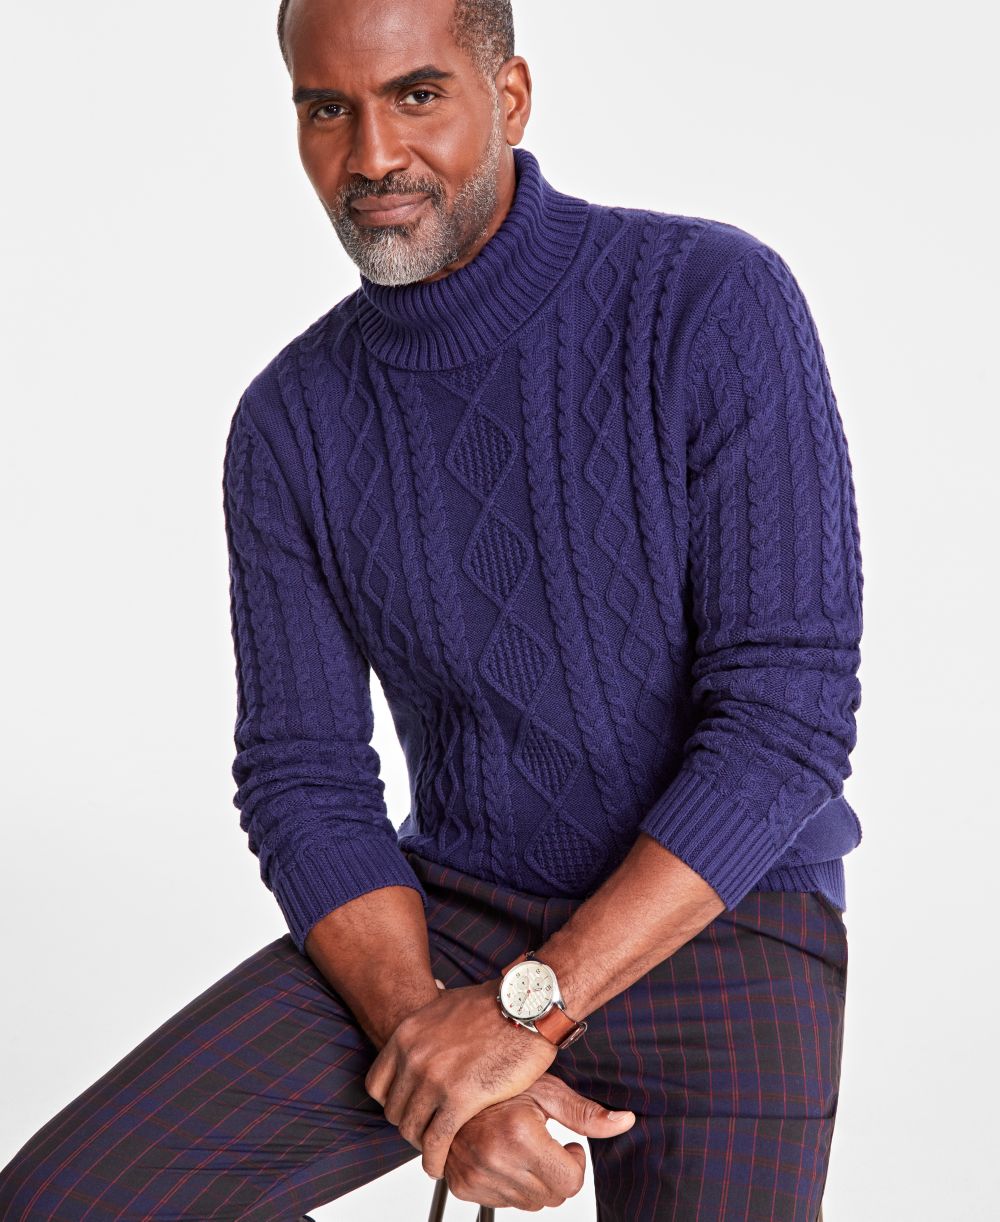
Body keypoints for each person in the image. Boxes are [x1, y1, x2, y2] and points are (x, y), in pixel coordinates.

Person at [0, 0, 862, 1217]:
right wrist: (430, 1048)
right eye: (326, 109)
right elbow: (303, 775)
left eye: (416, 95)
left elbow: (785, 721)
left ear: (508, 97)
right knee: (61, 1200)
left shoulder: (708, 301)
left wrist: (523, 1014)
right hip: (450, 920)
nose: (371, 156)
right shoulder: (291, 421)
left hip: (724, 912)